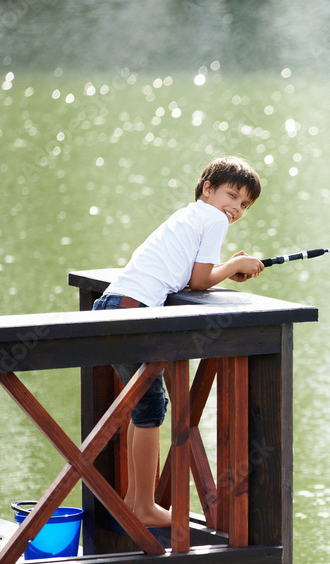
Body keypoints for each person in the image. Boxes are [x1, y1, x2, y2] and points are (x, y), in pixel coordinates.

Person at [92, 156, 265, 527]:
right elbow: (201, 282)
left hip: (111, 306)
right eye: (231, 195)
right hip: (131, 313)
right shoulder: (214, 219)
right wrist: (234, 268)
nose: (235, 208)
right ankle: (142, 506)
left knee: (144, 407)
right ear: (207, 189)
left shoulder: (189, 216)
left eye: (244, 204)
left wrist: (228, 267)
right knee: (151, 408)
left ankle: (134, 502)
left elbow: (187, 277)